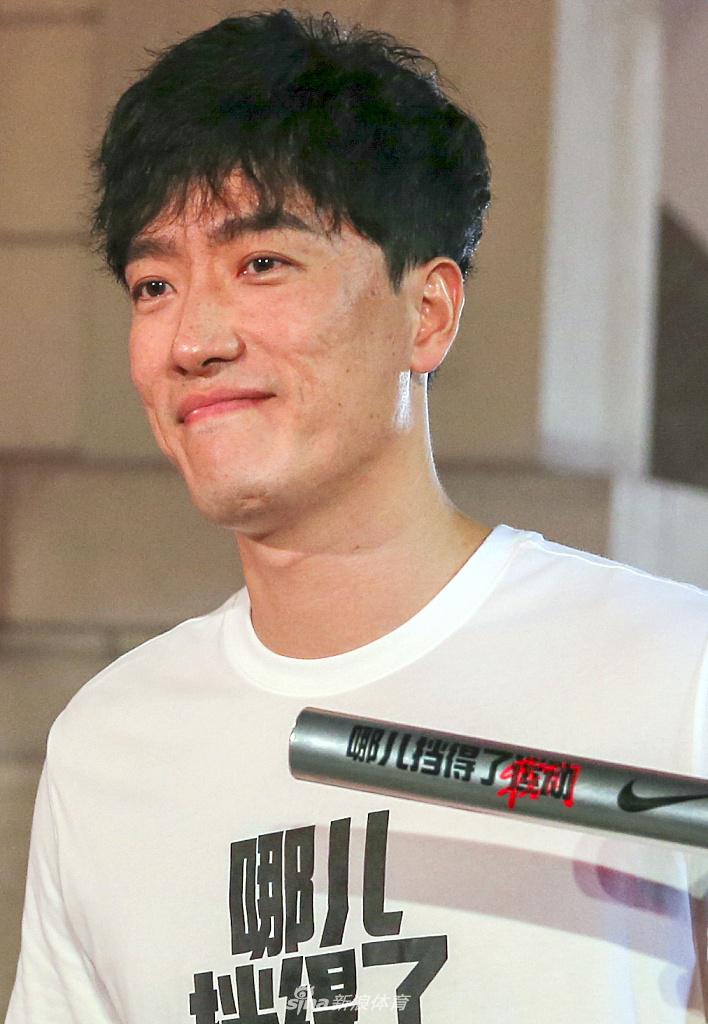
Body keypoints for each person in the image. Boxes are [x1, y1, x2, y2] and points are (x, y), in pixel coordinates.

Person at [7, 9, 708, 1023]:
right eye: (154, 283)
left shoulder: (672, 672)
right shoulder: (109, 746)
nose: (193, 340)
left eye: (261, 264)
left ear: (427, 313)